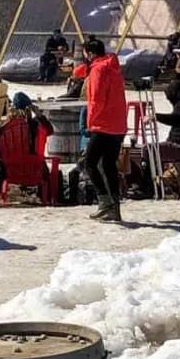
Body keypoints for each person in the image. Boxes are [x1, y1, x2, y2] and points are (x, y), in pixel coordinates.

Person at [82, 36, 127, 223]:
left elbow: (96, 100)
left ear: (91, 54)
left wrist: (90, 123)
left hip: (103, 124)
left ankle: (104, 202)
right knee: (109, 165)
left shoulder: (98, 70)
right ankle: (114, 208)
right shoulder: (113, 68)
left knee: (89, 164)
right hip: (118, 124)